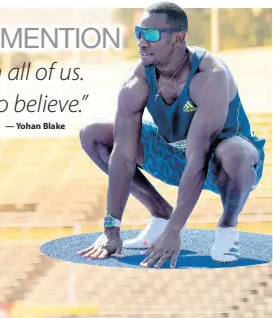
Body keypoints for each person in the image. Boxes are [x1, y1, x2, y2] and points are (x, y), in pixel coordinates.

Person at [78, 2, 266, 267]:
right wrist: (112, 228)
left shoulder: (209, 75)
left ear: (178, 38)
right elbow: (122, 155)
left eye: (152, 35)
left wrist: (175, 232)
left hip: (222, 164)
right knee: (93, 134)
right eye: (139, 33)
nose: (142, 42)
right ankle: (160, 213)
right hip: (174, 155)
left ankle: (227, 228)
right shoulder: (137, 81)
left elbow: (199, 157)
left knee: (234, 151)